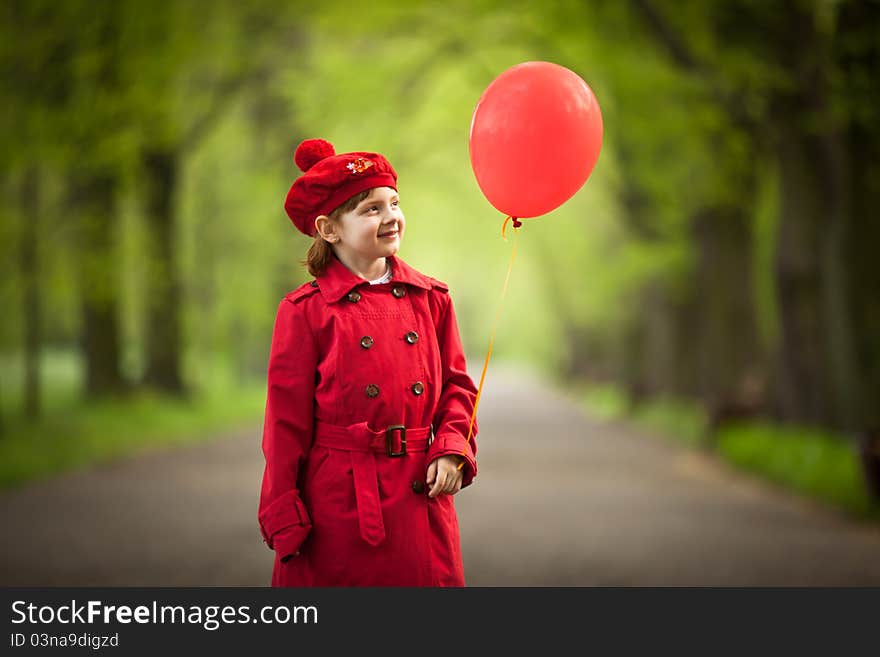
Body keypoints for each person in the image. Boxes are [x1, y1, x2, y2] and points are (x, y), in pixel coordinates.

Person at [257, 138, 479, 586]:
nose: (391, 216)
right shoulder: (306, 310)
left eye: (393, 203)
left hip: (420, 498)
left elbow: (458, 390)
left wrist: (454, 449)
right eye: (371, 209)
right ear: (329, 228)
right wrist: (282, 509)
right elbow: (284, 426)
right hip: (339, 505)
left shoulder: (431, 300)